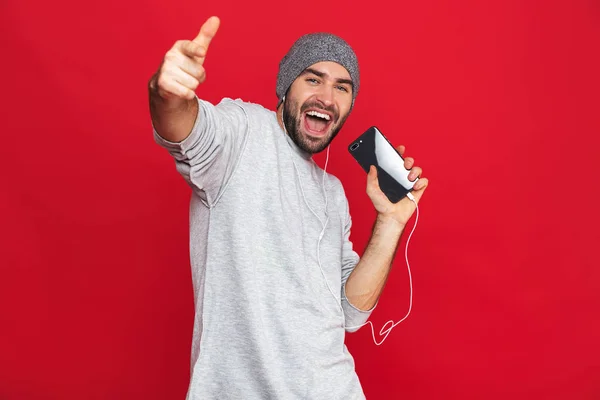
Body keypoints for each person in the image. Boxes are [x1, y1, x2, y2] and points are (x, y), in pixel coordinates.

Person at [148, 16, 428, 400]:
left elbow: (352, 312)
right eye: (313, 79)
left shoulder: (333, 193)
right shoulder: (242, 132)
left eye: (342, 87)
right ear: (286, 86)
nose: (327, 98)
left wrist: (391, 222)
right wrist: (168, 92)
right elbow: (185, 129)